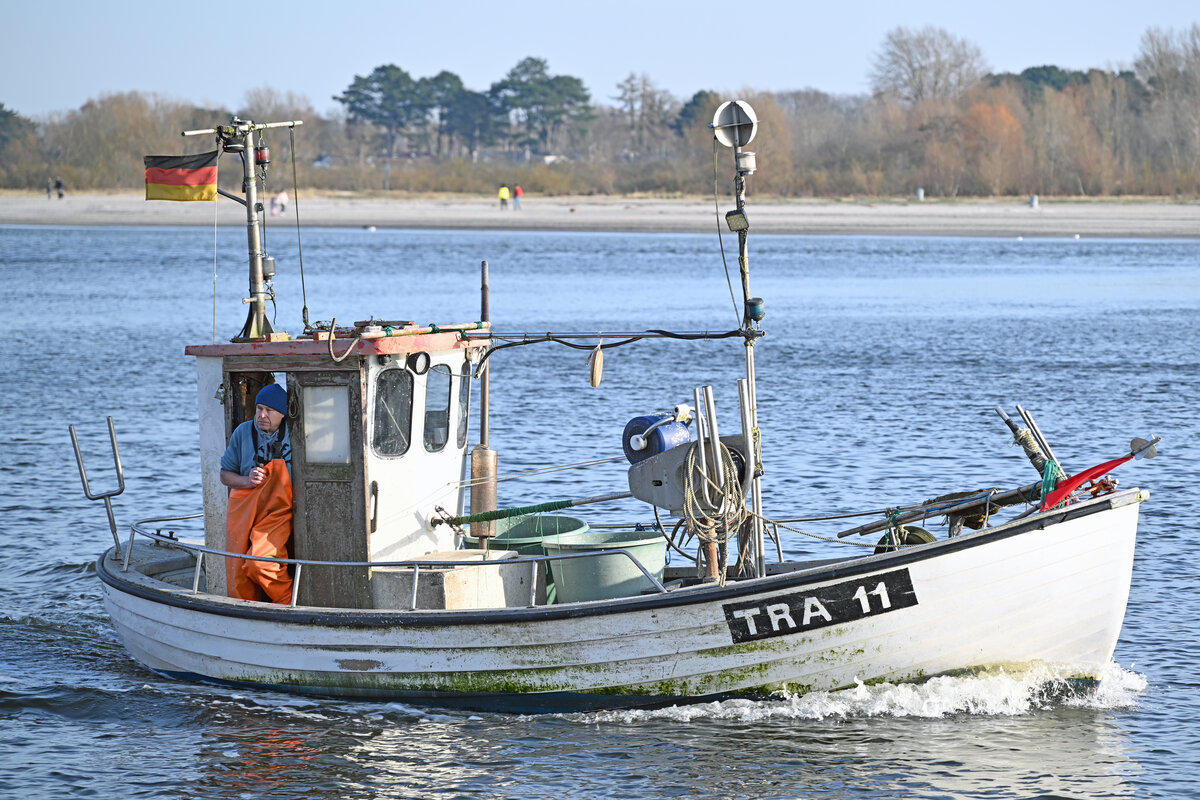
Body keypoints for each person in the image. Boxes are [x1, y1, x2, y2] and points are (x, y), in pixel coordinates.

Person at [219, 384, 294, 603]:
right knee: (237, 569)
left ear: (282, 413)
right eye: (259, 408)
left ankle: (287, 602)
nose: (262, 415)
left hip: (280, 511)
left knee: (258, 561)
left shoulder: (295, 433)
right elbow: (225, 475)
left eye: (269, 411)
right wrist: (246, 480)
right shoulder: (243, 432)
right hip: (245, 510)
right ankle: (247, 609)